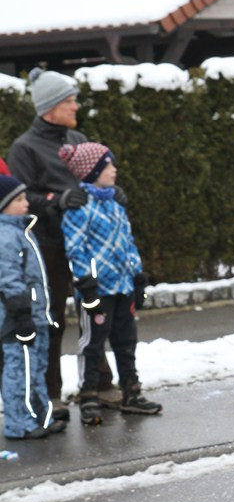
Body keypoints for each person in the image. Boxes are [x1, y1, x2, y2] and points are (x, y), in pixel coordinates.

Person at [7, 68, 119, 418]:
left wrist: (112, 193)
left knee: (96, 311)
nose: (75, 106)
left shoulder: (77, 138)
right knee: (53, 318)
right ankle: (51, 393)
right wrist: (57, 200)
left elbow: (95, 179)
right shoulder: (24, 148)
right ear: (49, 106)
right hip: (48, 245)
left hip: (86, 243)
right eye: (68, 100)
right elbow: (20, 197)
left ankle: (99, 384)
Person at [58, 141, 160, 425]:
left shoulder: (115, 204)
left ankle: (132, 391)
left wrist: (137, 277)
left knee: (126, 341)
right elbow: (75, 249)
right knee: (93, 343)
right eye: (108, 165)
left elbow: (127, 242)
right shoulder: (80, 207)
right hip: (97, 290)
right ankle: (88, 395)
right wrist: (87, 284)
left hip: (123, 287)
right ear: (92, 171)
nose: (114, 170)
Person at [0, 175, 66, 440]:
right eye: (19, 199)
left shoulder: (22, 232)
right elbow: (8, 278)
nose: (26, 203)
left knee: (36, 368)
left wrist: (44, 314)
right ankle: (19, 423)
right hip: (17, 319)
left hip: (36, 315)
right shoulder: (5, 237)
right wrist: (21, 313)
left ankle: (40, 416)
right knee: (19, 369)